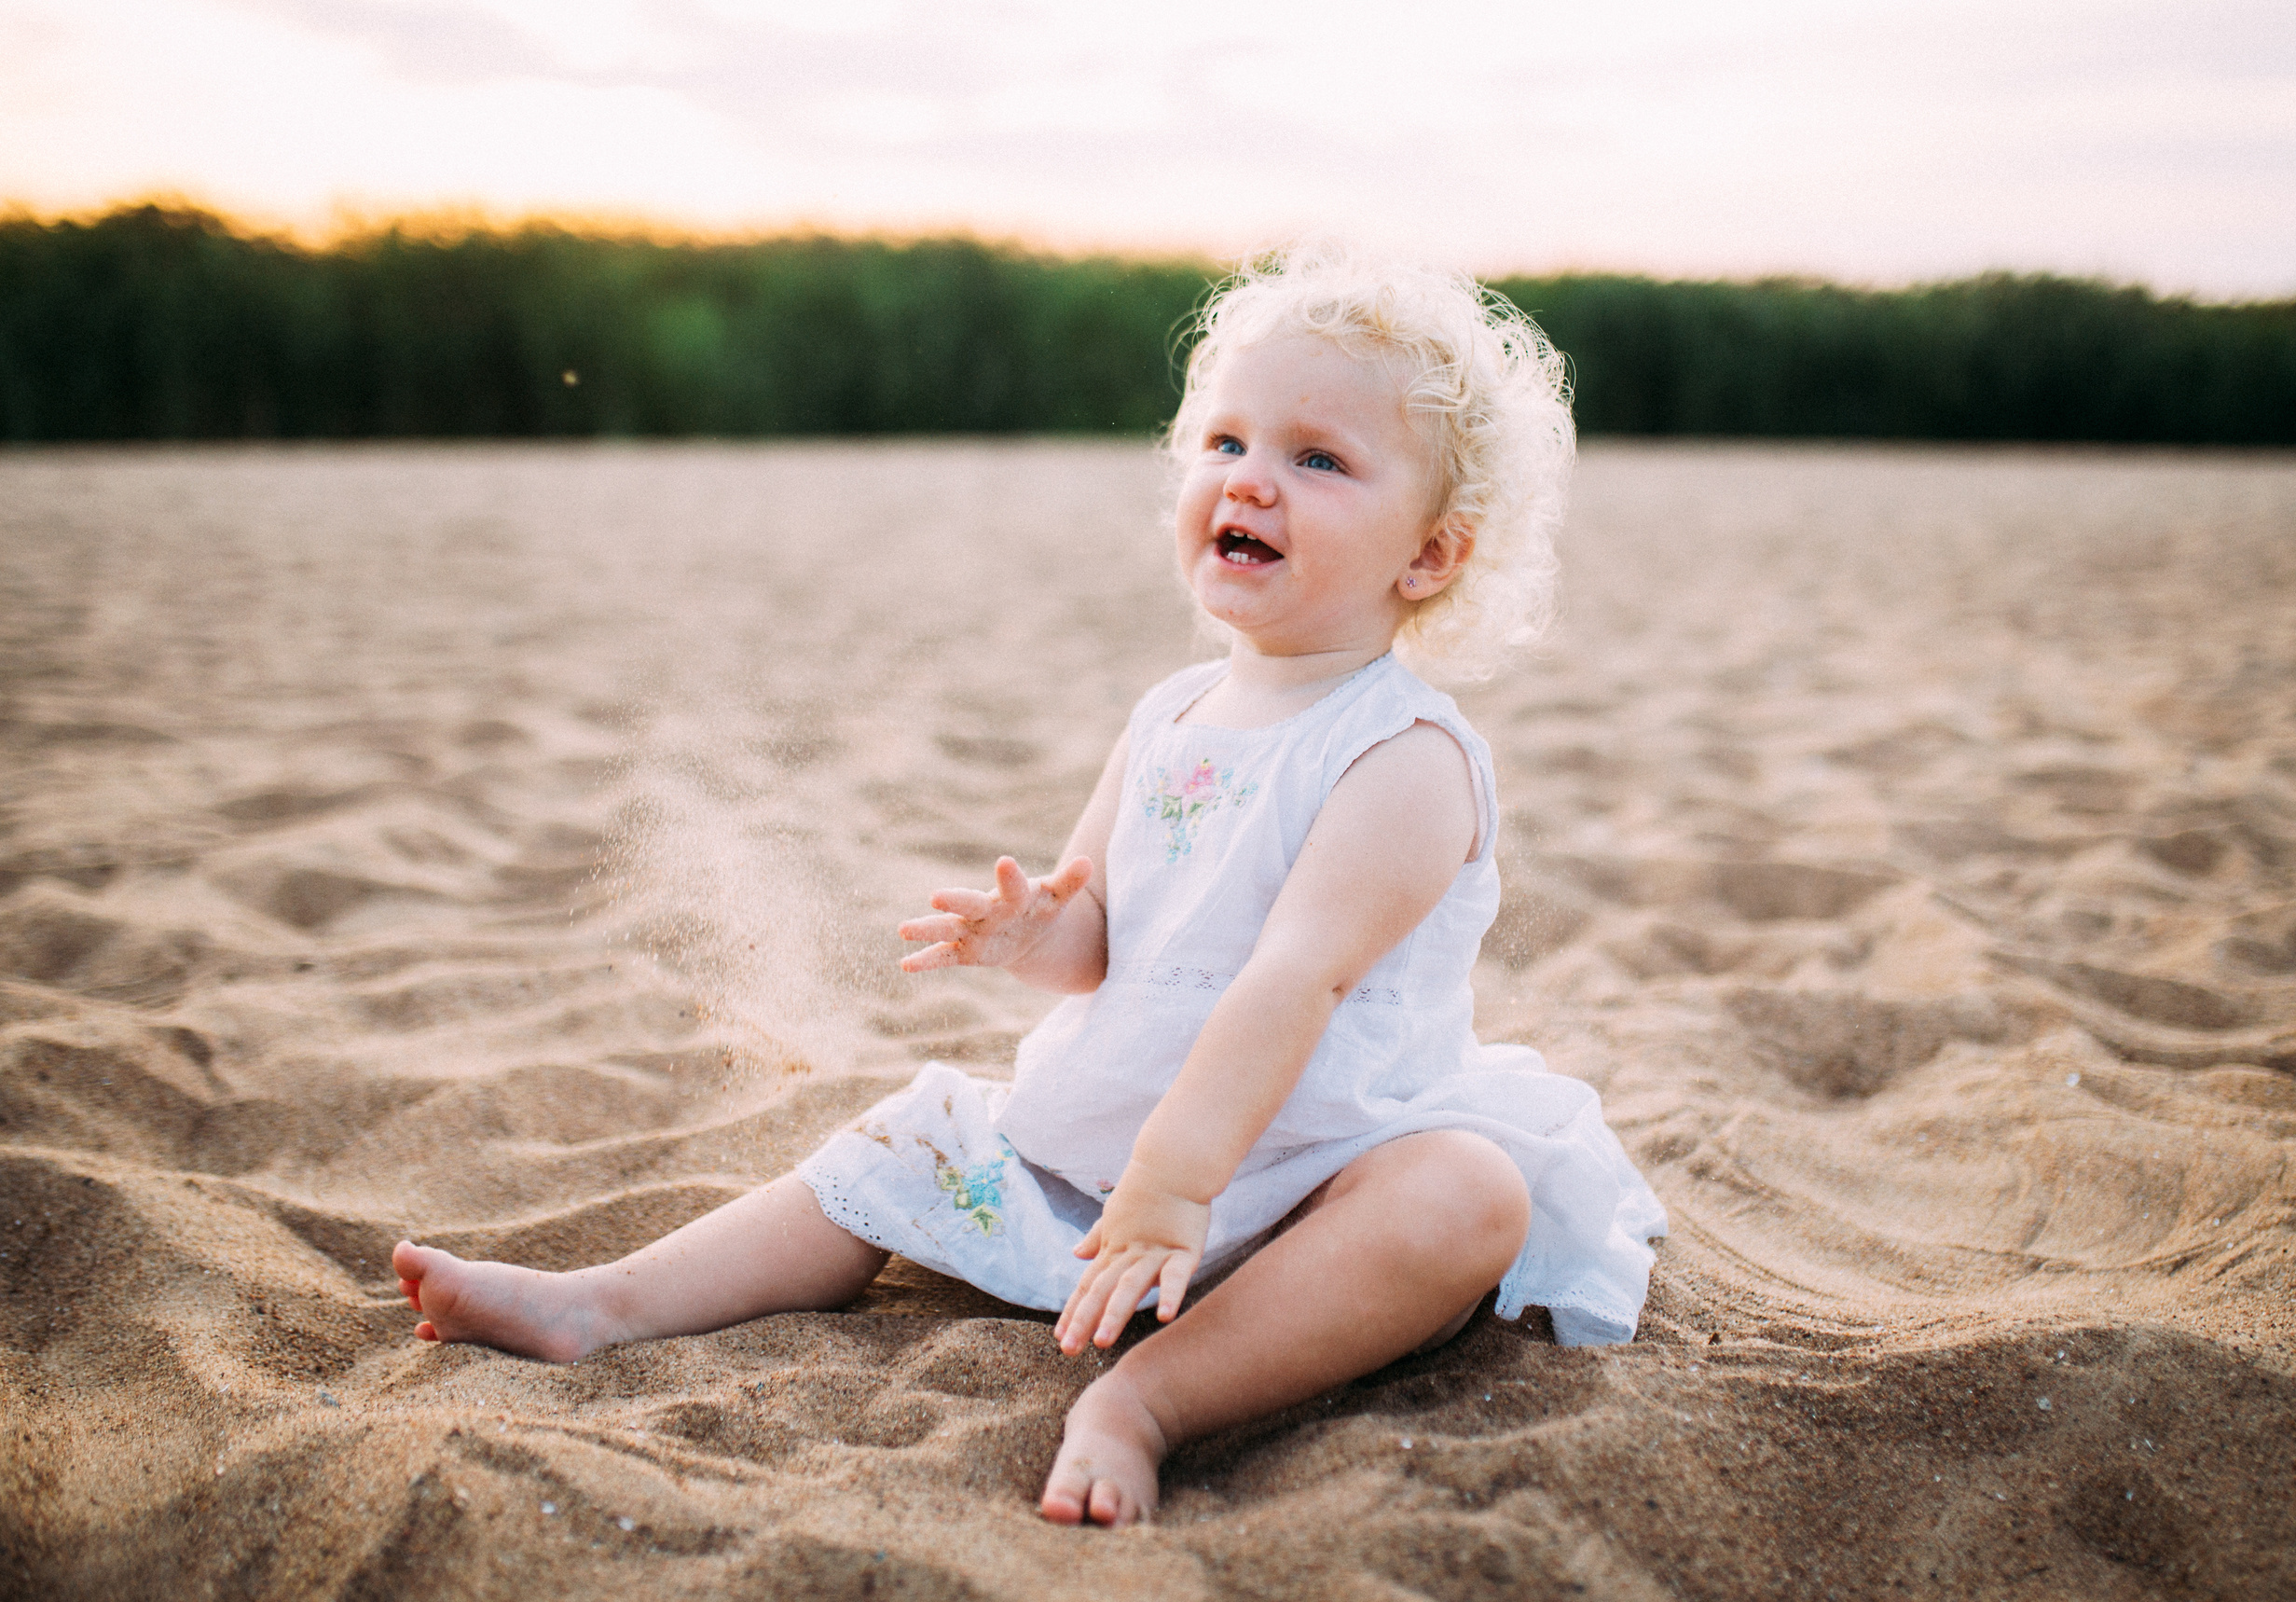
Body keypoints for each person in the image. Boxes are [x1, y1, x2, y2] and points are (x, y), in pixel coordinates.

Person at [392, 243, 1667, 1528]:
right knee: (899, 1142)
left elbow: (1295, 975)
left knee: (1465, 1198)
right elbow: (1106, 940)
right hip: (1101, 1152)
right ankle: (603, 1301)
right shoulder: (1172, 714)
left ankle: (1146, 1399)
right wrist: (1042, 931)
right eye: (1226, 441)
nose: (1252, 481)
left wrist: (1176, 1187)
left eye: (1317, 459)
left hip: (1304, 1172)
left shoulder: (1405, 758)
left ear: (1432, 555)